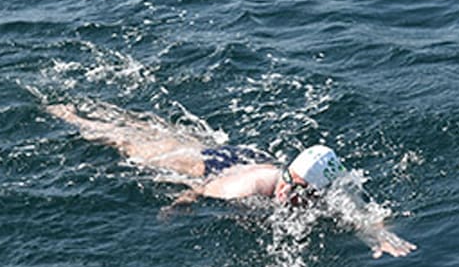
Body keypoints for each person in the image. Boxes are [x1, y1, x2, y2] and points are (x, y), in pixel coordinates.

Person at [46, 102, 416, 258]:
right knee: (133, 144)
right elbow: (204, 189)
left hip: (246, 158)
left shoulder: (331, 188)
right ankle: (73, 117)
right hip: (215, 168)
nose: (291, 194)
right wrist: (180, 204)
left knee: (160, 134)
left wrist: (378, 234)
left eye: (303, 192)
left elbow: (365, 214)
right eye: (290, 184)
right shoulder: (248, 188)